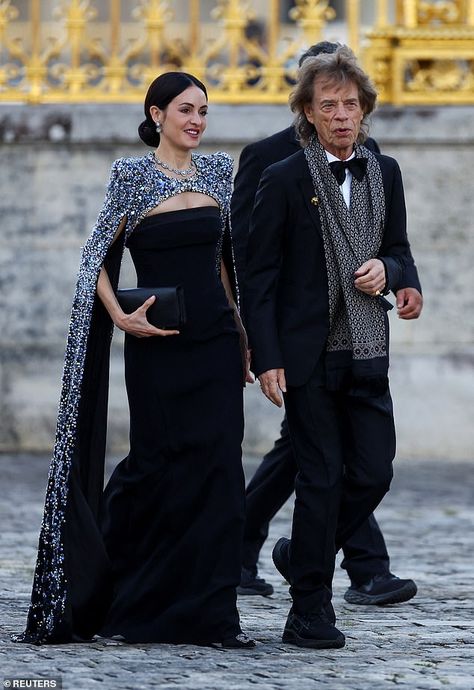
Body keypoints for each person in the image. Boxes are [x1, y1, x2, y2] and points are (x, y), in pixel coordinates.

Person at [14, 72, 255, 649]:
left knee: (220, 472)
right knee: (156, 466)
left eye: (203, 111)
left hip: (216, 343)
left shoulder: (221, 171)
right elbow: (95, 258)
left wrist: (244, 335)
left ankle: (213, 617)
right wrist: (120, 318)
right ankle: (125, 594)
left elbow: (227, 265)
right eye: (185, 110)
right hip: (157, 346)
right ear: (156, 115)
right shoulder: (131, 175)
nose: (196, 120)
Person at [232, 42, 422, 605]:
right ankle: (354, 572)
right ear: (306, 105)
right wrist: (258, 342)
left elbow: (393, 243)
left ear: (363, 105)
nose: (341, 114)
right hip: (303, 342)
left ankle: (288, 552)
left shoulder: (377, 162)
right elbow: (251, 258)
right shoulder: (270, 160)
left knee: (345, 465)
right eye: (328, 103)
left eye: (350, 103)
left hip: (363, 344)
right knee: (322, 466)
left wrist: (393, 273)